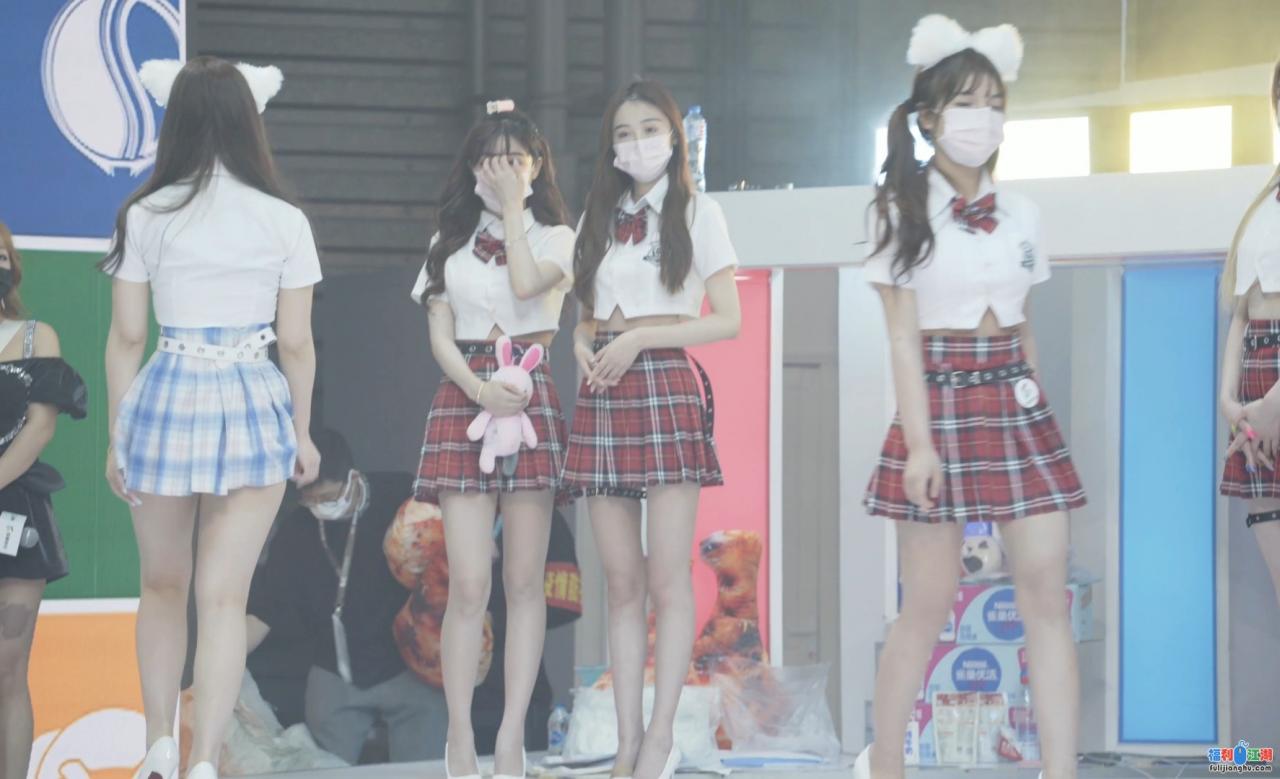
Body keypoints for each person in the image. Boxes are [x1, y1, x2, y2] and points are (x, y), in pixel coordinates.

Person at [856, 16, 1086, 779]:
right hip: (940, 397)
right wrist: (920, 443)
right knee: (927, 603)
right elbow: (901, 338)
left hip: (1015, 403)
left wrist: (1036, 409)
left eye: (994, 103)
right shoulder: (899, 209)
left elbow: (1024, 326)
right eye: (965, 102)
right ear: (929, 118)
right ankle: (886, 765)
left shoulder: (1023, 213)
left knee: (1047, 593)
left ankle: (1061, 770)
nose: (982, 117)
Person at [101, 57, 321, 779]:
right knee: (224, 598)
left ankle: (158, 745)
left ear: (178, 121)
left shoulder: (145, 213)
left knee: (161, 585)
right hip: (252, 395)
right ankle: (203, 760)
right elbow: (296, 343)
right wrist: (302, 432)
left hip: (168, 390)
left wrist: (117, 436)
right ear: (250, 122)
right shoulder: (284, 219)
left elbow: (128, 336)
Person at [561, 80, 741, 779]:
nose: (636, 143)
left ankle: (662, 736)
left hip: (664, 382)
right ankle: (628, 739)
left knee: (668, 576)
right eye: (624, 133)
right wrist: (582, 342)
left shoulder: (698, 211)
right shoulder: (597, 214)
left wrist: (640, 339)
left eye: (648, 130)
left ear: (673, 136)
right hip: (604, 388)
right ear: (609, 145)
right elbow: (584, 315)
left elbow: (727, 319)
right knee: (620, 580)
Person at [410, 100, 574, 779]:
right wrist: (477, 390)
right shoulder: (446, 240)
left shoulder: (558, 237)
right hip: (466, 395)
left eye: (515, 158)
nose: (502, 169)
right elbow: (439, 332)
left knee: (524, 581)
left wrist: (512, 208)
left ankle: (510, 737)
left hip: (531, 388)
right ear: (471, 166)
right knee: (469, 583)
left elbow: (528, 284)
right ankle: (458, 736)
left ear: (536, 166)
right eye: (490, 158)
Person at [245, 427, 447, 763]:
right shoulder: (296, 531)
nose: (320, 507)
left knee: (424, 766)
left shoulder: (400, 495)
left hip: (409, 663)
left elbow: (446, 546)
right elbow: (266, 609)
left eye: (327, 497)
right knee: (319, 766)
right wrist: (220, 661)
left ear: (352, 477)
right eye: (310, 501)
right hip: (335, 668)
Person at [0, 221, 87, 779]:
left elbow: (40, 427)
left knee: (7, 670)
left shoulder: (37, 337)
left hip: (17, 519)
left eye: (0, 255)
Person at [1218, 57, 1280, 614]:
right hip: (1256, 381)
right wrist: (1230, 401)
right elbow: (1242, 309)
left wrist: (1271, 405)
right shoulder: (1266, 199)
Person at [472, 508, 582, 755]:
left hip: (510, 691)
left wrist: (494, 620)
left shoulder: (541, 513)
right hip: (437, 684)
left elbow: (565, 604)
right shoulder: (444, 507)